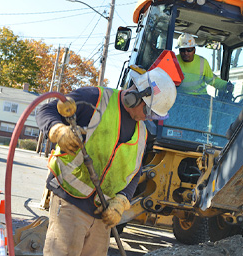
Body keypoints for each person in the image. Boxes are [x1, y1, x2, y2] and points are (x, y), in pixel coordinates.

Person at [36, 67, 177, 256]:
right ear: (135, 96)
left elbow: (135, 171)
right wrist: (56, 129)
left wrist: (122, 200)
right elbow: (46, 109)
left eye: (153, 115)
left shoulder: (142, 132)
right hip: (70, 201)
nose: (148, 117)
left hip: (102, 215)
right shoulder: (96, 99)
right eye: (148, 110)